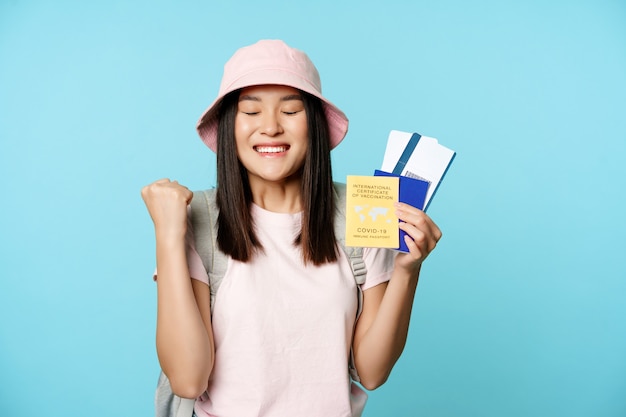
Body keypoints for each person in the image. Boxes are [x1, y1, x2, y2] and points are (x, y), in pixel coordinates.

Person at [141, 39, 442, 417]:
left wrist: (407, 270)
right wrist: (168, 237)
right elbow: (187, 379)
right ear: (231, 128)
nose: (270, 127)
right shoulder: (196, 216)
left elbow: (372, 370)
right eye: (250, 111)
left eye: (291, 110)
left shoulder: (366, 209)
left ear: (313, 123)